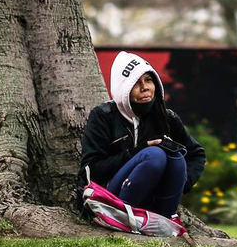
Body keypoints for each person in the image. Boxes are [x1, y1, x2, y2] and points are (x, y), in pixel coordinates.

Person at [78, 51, 205, 223]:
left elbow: (196, 154)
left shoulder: (166, 117)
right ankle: (125, 218)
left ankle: (165, 217)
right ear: (123, 88)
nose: (145, 87)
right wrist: (139, 152)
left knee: (175, 154)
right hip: (111, 197)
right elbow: (91, 169)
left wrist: (181, 184)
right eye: (136, 83)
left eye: (149, 80)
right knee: (155, 155)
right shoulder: (104, 116)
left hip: (155, 200)